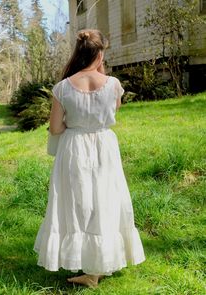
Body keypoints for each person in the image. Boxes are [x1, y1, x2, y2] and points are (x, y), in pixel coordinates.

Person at [33, 29, 146, 288]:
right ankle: (98, 265)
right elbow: (113, 110)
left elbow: (55, 129)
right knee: (105, 201)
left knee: (77, 204)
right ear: (99, 53)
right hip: (104, 146)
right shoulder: (114, 84)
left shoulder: (63, 87)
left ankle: (91, 270)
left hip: (74, 147)